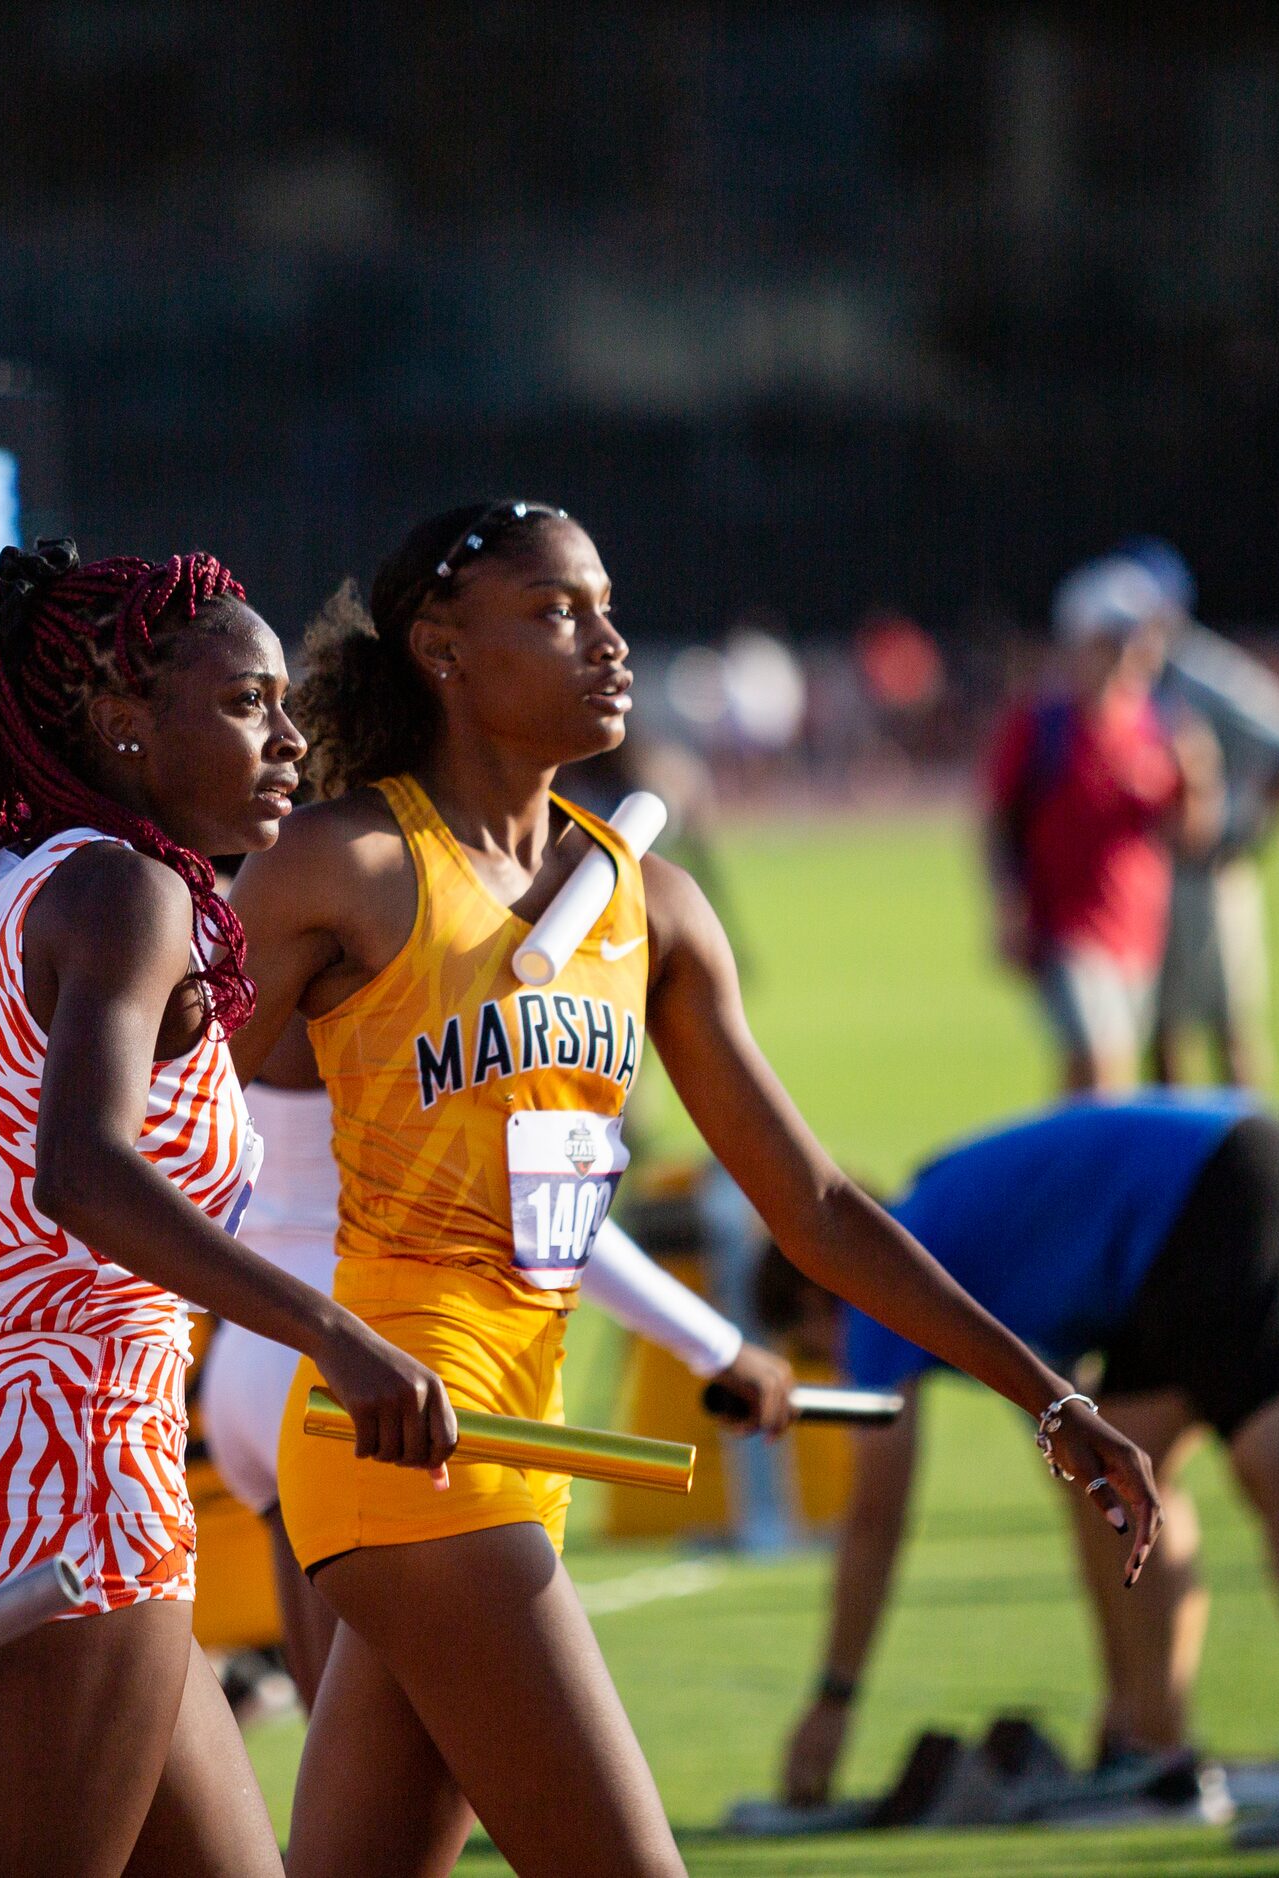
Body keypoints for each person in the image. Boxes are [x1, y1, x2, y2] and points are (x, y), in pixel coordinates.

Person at [228, 500, 1165, 1878]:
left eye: (607, 606)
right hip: (406, 1444)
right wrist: (302, 1333)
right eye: (556, 612)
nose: (609, 643)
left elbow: (820, 1208)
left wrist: (1048, 1392)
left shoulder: (647, 904)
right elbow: (131, 1119)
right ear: (440, 648)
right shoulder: (344, 866)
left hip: (521, 1436)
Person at [0, 540, 454, 1878]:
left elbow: (2, 1185)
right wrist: (332, 1331)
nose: (288, 736)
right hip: (68, 1478)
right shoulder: (126, 891)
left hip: (17, 1451)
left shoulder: (12, 882)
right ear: (123, 723)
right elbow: (81, 1173)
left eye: (284, 703)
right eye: (244, 703)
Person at [758, 1095, 1279, 1852]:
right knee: (1113, 1487)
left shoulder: (870, 1277)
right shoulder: (941, 1218)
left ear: (811, 1292)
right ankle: (1151, 1752)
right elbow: (1069, 1418)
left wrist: (833, 1700)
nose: (841, 1361)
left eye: (815, 1347)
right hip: (1249, 1172)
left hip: (1214, 1194)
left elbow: (876, 1518)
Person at [199, 1011, 786, 1706]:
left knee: (352, 1754)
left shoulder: (235, 944)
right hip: (369, 1364)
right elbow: (535, 1209)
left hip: (250, 1361)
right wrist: (714, 1345)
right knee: (463, 1735)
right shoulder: (405, 959)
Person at [985, 557, 1222, 1094]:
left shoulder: (1162, 725)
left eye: (1141, 640)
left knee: (1085, 1089)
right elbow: (999, 825)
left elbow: (1190, 840)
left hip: (1140, 930)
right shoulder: (1041, 723)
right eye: (1117, 640)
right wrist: (1006, 908)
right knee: (1101, 1068)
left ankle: (1061, 1176)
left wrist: (1201, 779)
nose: (1133, 654)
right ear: (1082, 642)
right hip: (1068, 931)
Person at [1116, 541, 1279, 1089]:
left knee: (1227, 1025)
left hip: (1206, 874)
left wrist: (1244, 830)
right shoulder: (1124, 679)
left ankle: (1246, 1153)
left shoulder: (1201, 671)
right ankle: (1182, 1164)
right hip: (1147, 874)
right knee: (1159, 1033)